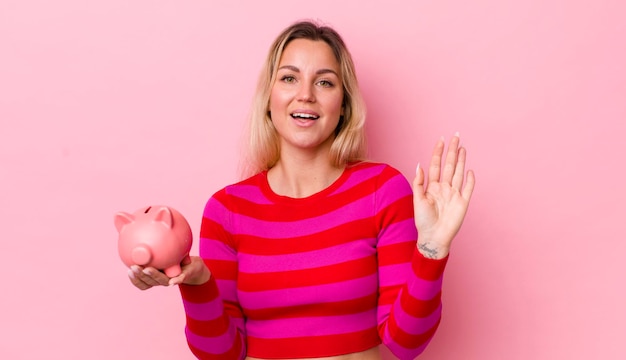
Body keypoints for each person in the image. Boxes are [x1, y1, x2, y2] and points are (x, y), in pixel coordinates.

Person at [127, 20, 475, 360]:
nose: (305, 95)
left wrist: (432, 249)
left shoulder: (382, 191)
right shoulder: (227, 209)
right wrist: (198, 281)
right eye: (289, 78)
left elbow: (406, 344)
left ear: (344, 106)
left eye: (324, 82)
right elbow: (220, 354)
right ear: (269, 98)